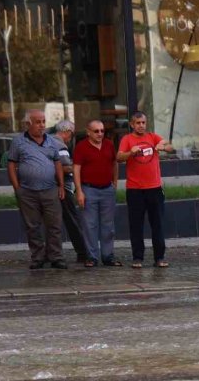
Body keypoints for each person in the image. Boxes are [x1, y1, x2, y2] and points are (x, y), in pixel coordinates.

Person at [7, 110, 67, 270]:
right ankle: (38, 258)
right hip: (27, 191)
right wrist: (17, 188)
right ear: (29, 124)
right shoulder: (18, 142)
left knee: (54, 225)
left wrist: (61, 185)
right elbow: (11, 164)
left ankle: (56, 257)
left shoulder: (52, 141)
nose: (42, 125)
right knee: (32, 226)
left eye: (43, 121)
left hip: (50, 190)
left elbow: (58, 163)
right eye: (38, 122)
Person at [116, 111, 173, 268]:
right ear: (132, 124)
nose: (141, 125)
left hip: (154, 188)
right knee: (136, 225)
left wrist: (164, 146)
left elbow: (170, 147)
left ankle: (159, 257)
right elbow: (119, 157)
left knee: (158, 224)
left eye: (143, 122)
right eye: (137, 123)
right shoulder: (127, 139)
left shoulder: (152, 137)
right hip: (135, 189)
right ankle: (137, 258)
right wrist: (130, 153)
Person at [74, 119, 121, 267]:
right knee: (90, 225)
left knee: (108, 225)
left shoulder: (108, 144)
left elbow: (114, 163)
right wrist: (79, 191)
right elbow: (76, 169)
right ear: (88, 132)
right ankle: (92, 257)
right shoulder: (81, 147)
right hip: (89, 189)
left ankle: (108, 256)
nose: (100, 134)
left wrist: (115, 182)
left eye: (102, 131)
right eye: (96, 131)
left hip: (107, 189)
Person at [51, 120, 90, 264]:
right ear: (66, 131)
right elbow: (64, 167)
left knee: (52, 224)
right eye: (71, 134)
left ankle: (51, 253)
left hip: (50, 188)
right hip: (64, 189)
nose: (71, 138)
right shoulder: (60, 145)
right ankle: (83, 252)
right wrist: (78, 167)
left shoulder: (48, 141)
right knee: (73, 221)